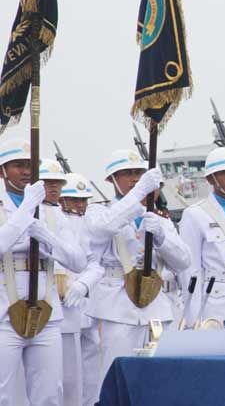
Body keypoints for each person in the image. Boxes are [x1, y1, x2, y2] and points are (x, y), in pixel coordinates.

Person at [85, 149, 190, 382]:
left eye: (138, 173)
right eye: (126, 174)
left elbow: (184, 261)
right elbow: (102, 229)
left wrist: (162, 235)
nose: (134, 179)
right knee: (115, 377)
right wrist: (141, 192)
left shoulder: (158, 218)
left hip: (156, 308)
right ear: (111, 179)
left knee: (160, 379)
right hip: (116, 308)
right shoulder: (98, 211)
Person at [0, 140, 87, 405]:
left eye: (30, 165)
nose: (26, 171)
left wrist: (48, 238)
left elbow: (77, 261)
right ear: (3, 170)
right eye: (18, 165)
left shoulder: (52, 212)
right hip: (3, 312)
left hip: (46, 313)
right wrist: (26, 209)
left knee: (50, 392)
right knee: (6, 393)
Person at [178, 147, 225, 326]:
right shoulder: (195, 214)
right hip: (216, 304)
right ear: (210, 178)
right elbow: (191, 270)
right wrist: (193, 317)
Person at [59, 172, 104, 406]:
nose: (80, 205)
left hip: (87, 302)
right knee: (67, 374)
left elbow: (96, 263)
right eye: (75, 199)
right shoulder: (56, 220)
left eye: (84, 200)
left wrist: (84, 285)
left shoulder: (89, 223)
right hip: (62, 304)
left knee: (91, 363)